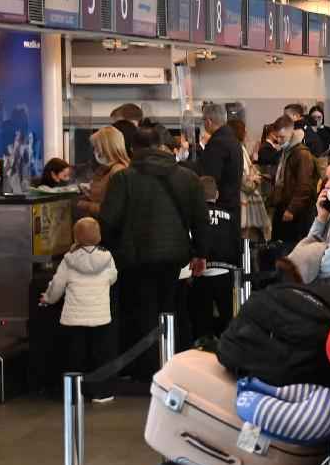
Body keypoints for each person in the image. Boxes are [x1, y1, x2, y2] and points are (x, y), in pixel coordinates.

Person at [100, 121, 208, 380]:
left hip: (135, 259)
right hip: (175, 257)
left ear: (134, 148)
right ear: (161, 146)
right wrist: (200, 253)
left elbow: (109, 220)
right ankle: (178, 364)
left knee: (141, 313)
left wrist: (114, 250)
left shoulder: (123, 178)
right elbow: (201, 220)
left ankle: (146, 369)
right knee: (174, 308)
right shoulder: (188, 177)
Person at [40, 217, 118, 402]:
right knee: (100, 356)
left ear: (75, 237)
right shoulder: (107, 257)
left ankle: (75, 392)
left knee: (75, 356)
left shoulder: (69, 260)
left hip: (73, 319)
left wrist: (48, 299)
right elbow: (113, 277)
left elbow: (57, 285)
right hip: (100, 317)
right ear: (98, 236)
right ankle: (101, 392)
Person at [189, 176, 240, 344]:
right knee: (229, 319)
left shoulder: (193, 216)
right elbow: (236, 244)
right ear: (216, 194)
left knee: (202, 322)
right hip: (226, 272)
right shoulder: (230, 216)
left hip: (201, 273)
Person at [270, 115, 319, 252]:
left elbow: (304, 185)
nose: (279, 141)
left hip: (297, 212)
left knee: (292, 249)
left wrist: (292, 209)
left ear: (291, 132)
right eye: (277, 137)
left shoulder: (301, 154)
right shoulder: (287, 151)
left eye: (282, 137)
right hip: (284, 205)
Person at [198, 103, 243, 234]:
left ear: (209, 121)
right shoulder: (233, 140)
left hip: (221, 207)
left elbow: (209, 179)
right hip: (233, 204)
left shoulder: (217, 143)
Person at [78, 127, 129, 218]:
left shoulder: (118, 172)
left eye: (97, 147)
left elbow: (113, 210)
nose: (95, 152)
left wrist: (85, 205)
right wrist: (89, 193)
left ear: (106, 147)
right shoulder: (105, 169)